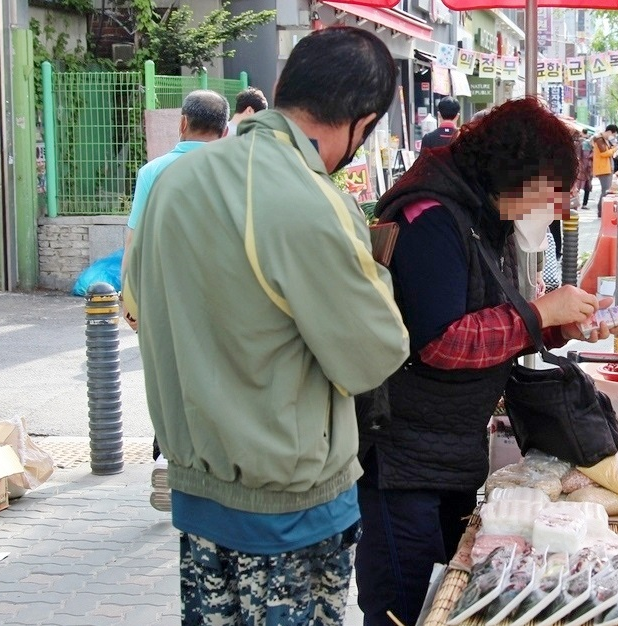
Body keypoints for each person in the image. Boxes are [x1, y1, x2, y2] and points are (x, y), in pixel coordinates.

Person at [122, 26, 410, 625]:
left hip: (198, 493)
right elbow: (374, 354)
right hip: (289, 511)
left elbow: (141, 308)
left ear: (282, 88)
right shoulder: (310, 198)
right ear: (363, 120)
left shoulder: (171, 183)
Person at [354, 97, 618, 626]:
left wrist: (558, 323)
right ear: (514, 174)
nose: (555, 213)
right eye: (549, 197)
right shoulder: (432, 220)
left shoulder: (481, 216)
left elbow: (492, 320)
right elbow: (441, 342)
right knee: (405, 608)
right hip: (401, 458)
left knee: (449, 598)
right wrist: (537, 313)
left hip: (449, 447)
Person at [119, 89, 229, 512]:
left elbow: (135, 240)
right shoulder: (230, 171)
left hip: (161, 295)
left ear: (182, 123)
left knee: (168, 378)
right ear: (223, 132)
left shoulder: (153, 172)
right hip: (217, 297)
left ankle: (171, 456)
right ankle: (210, 466)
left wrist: (129, 299)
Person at [592, 124, 618, 217]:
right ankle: (601, 211)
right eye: (614, 135)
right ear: (610, 132)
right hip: (603, 169)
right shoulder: (599, 139)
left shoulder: (604, 140)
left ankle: (602, 211)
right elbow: (604, 153)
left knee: (605, 190)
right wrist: (615, 148)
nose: (614, 137)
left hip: (606, 168)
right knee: (605, 191)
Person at [579, 128, 594, 209]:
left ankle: (574, 203)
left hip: (582, 169)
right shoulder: (587, 144)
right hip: (585, 169)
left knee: (578, 187)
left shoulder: (581, 143)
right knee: (586, 187)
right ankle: (583, 204)